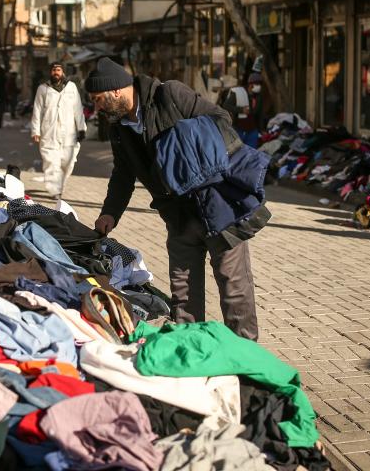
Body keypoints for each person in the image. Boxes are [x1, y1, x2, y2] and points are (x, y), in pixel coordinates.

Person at [85, 57, 259, 340]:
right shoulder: (119, 128)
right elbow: (123, 173)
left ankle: (245, 355)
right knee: (183, 292)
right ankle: (190, 351)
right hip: (178, 216)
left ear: (116, 90)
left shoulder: (169, 95)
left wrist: (182, 146)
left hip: (216, 206)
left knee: (234, 287)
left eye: (98, 98)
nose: (97, 106)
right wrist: (110, 213)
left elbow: (220, 119)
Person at [31, 62, 86, 203]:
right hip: (49, 132)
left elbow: (78, 109)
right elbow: (37, 110)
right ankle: (55, 190)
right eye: (54, 70)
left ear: (63, 72)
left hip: (69, 132)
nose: (56, 72)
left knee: (69, 162)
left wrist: (81, 128)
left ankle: (60, 184)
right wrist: (35, 130)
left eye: (59, 70)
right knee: (51, 162)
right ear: (50, 72)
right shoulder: (43, 89)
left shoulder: (71, 87)